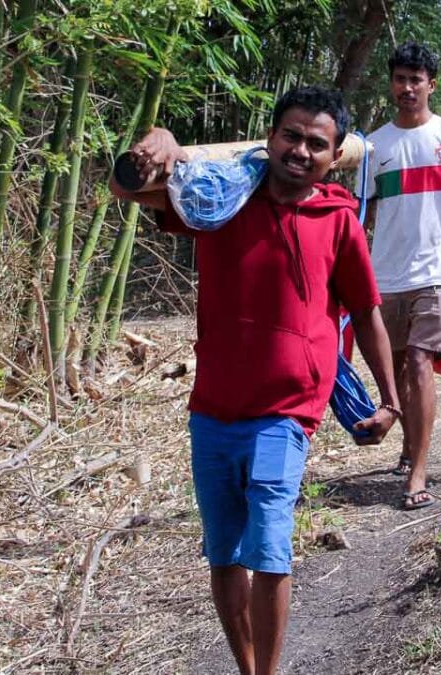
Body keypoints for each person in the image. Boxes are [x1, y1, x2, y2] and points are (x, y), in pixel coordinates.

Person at [110, 86, 401, 675]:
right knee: (223, 556)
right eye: (289, 136)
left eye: (316, 144)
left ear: (334, 153)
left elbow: (366, 309)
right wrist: (162, 143)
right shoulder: (218, 198)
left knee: (269, 554)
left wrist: (390, 398)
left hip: (287, 411)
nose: (300, 150)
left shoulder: (337, 216)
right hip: (213, 407)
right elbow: (126, 186)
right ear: (268, 138)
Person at [358, 41, 441, 510]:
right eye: (400, 78)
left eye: (416, 79)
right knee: (395, 368)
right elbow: (360, 218)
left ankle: (417, 473)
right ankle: (406, 446)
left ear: (431, 85)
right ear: (391, 83)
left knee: (419, 361)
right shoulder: (373, 146)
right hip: (387, 275)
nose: (408, 87)